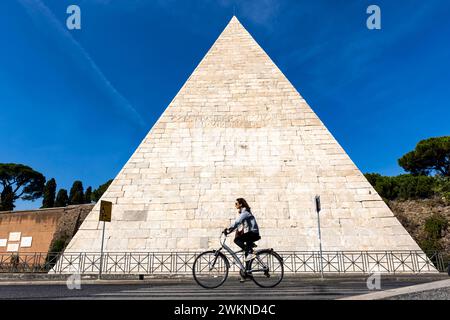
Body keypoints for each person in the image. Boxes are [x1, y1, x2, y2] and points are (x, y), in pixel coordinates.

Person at [224, 198, 261, 282]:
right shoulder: (243, 212)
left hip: (252, 233)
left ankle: (249, 252)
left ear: (241, 204)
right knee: (247, 255)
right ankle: (248, 273)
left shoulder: (245, 212)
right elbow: (238, 225)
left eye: (236, 203)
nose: (235, 205)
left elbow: (237, 221)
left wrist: (228, 228)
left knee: (236, 240)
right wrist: (229, 231)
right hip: (250, 233)